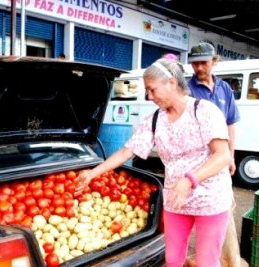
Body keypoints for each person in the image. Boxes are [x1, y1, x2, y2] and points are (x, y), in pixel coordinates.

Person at [76, 58, 233, 267]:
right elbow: (126, 152)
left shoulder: (204, 111)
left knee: (207, 262)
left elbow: (222, 156)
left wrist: (189, 180)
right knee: (173, 260)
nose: (149, 97)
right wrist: (92, 173)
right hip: (175, 201)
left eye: (152, 90)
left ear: (171, 83)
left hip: (210, 200)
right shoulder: (154, 120)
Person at [187, 42, 243, 267]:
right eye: (194, 63)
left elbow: (230, 124)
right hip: (197, 163)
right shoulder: (186, 90)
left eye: (204, 62)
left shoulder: (224, 89)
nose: (199, 67)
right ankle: (208, 260)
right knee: (202, 212)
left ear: (215, 62)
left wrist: (231, 156)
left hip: (220, 161)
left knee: (224, 211)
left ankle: (227, 260)